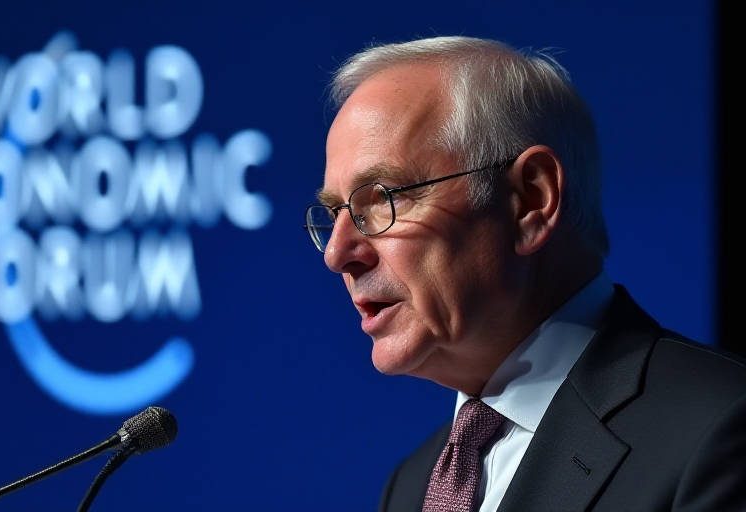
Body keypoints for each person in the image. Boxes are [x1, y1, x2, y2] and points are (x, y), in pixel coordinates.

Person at [305, 36, 746, 512]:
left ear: (529, 202)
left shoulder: (719, 429)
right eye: (335, 213)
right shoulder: (411, 486)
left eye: (383, 199)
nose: (337, 253)